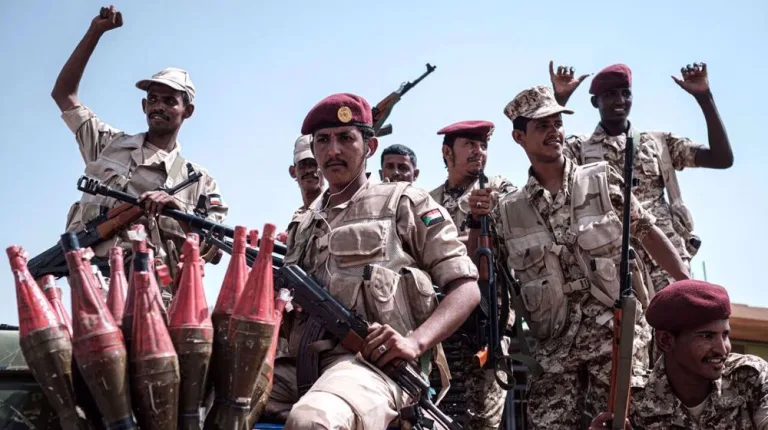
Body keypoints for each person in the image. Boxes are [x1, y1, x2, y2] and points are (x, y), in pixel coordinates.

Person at [468, 85, 690, 429]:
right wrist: (475, 223)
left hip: (616, 338)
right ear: (518, 136)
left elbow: (647, 233)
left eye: (557, 123)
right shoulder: (507, 210)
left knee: (632, 423)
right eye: (541, 126)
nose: (554, 132)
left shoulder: (600, 179)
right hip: (553, 349)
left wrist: (687, 287)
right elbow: (481, 273)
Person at [275, 93, 481, 430]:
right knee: (204, 392)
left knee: (313, 421)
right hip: (299, 362)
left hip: (374, 365)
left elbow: (466, 288)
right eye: (323, 141)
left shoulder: (404, 203)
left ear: (369, 147)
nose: (333, 150)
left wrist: (414, 343)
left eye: (345, 138)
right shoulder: (304, 223)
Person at [50, 6, 227, 278]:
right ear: (144, 105)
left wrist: (176, 207)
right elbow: (64, 95)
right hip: (97, 289)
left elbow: (215, 246)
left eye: (170, 101)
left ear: (187, 111)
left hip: (160, 301)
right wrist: (95, 32)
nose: (159, 106)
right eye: (153, 99)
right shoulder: (107, 145)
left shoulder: (199, 181)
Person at [548, 60, 733, 295]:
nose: (620, 100)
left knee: (678, 328)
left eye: (626, 93)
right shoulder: (579, 149)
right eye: (610, 94)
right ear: (595, 102)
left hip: (667, 264)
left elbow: (721, 158)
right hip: (613, 268)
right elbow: (548, 162)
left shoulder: (657, 143)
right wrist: (558, 100)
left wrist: (704, 97)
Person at [590, 279, 768, 430]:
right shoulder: (630, 402)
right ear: (666, 341)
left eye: (725, 335)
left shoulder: (750, 377)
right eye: (706, 336)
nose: (722, 349)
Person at [429, 121, 516, 241]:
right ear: (447, 152)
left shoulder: (498, 189)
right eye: (470, 144)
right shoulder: (430, 201)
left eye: (483, 146)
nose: (479, 151)